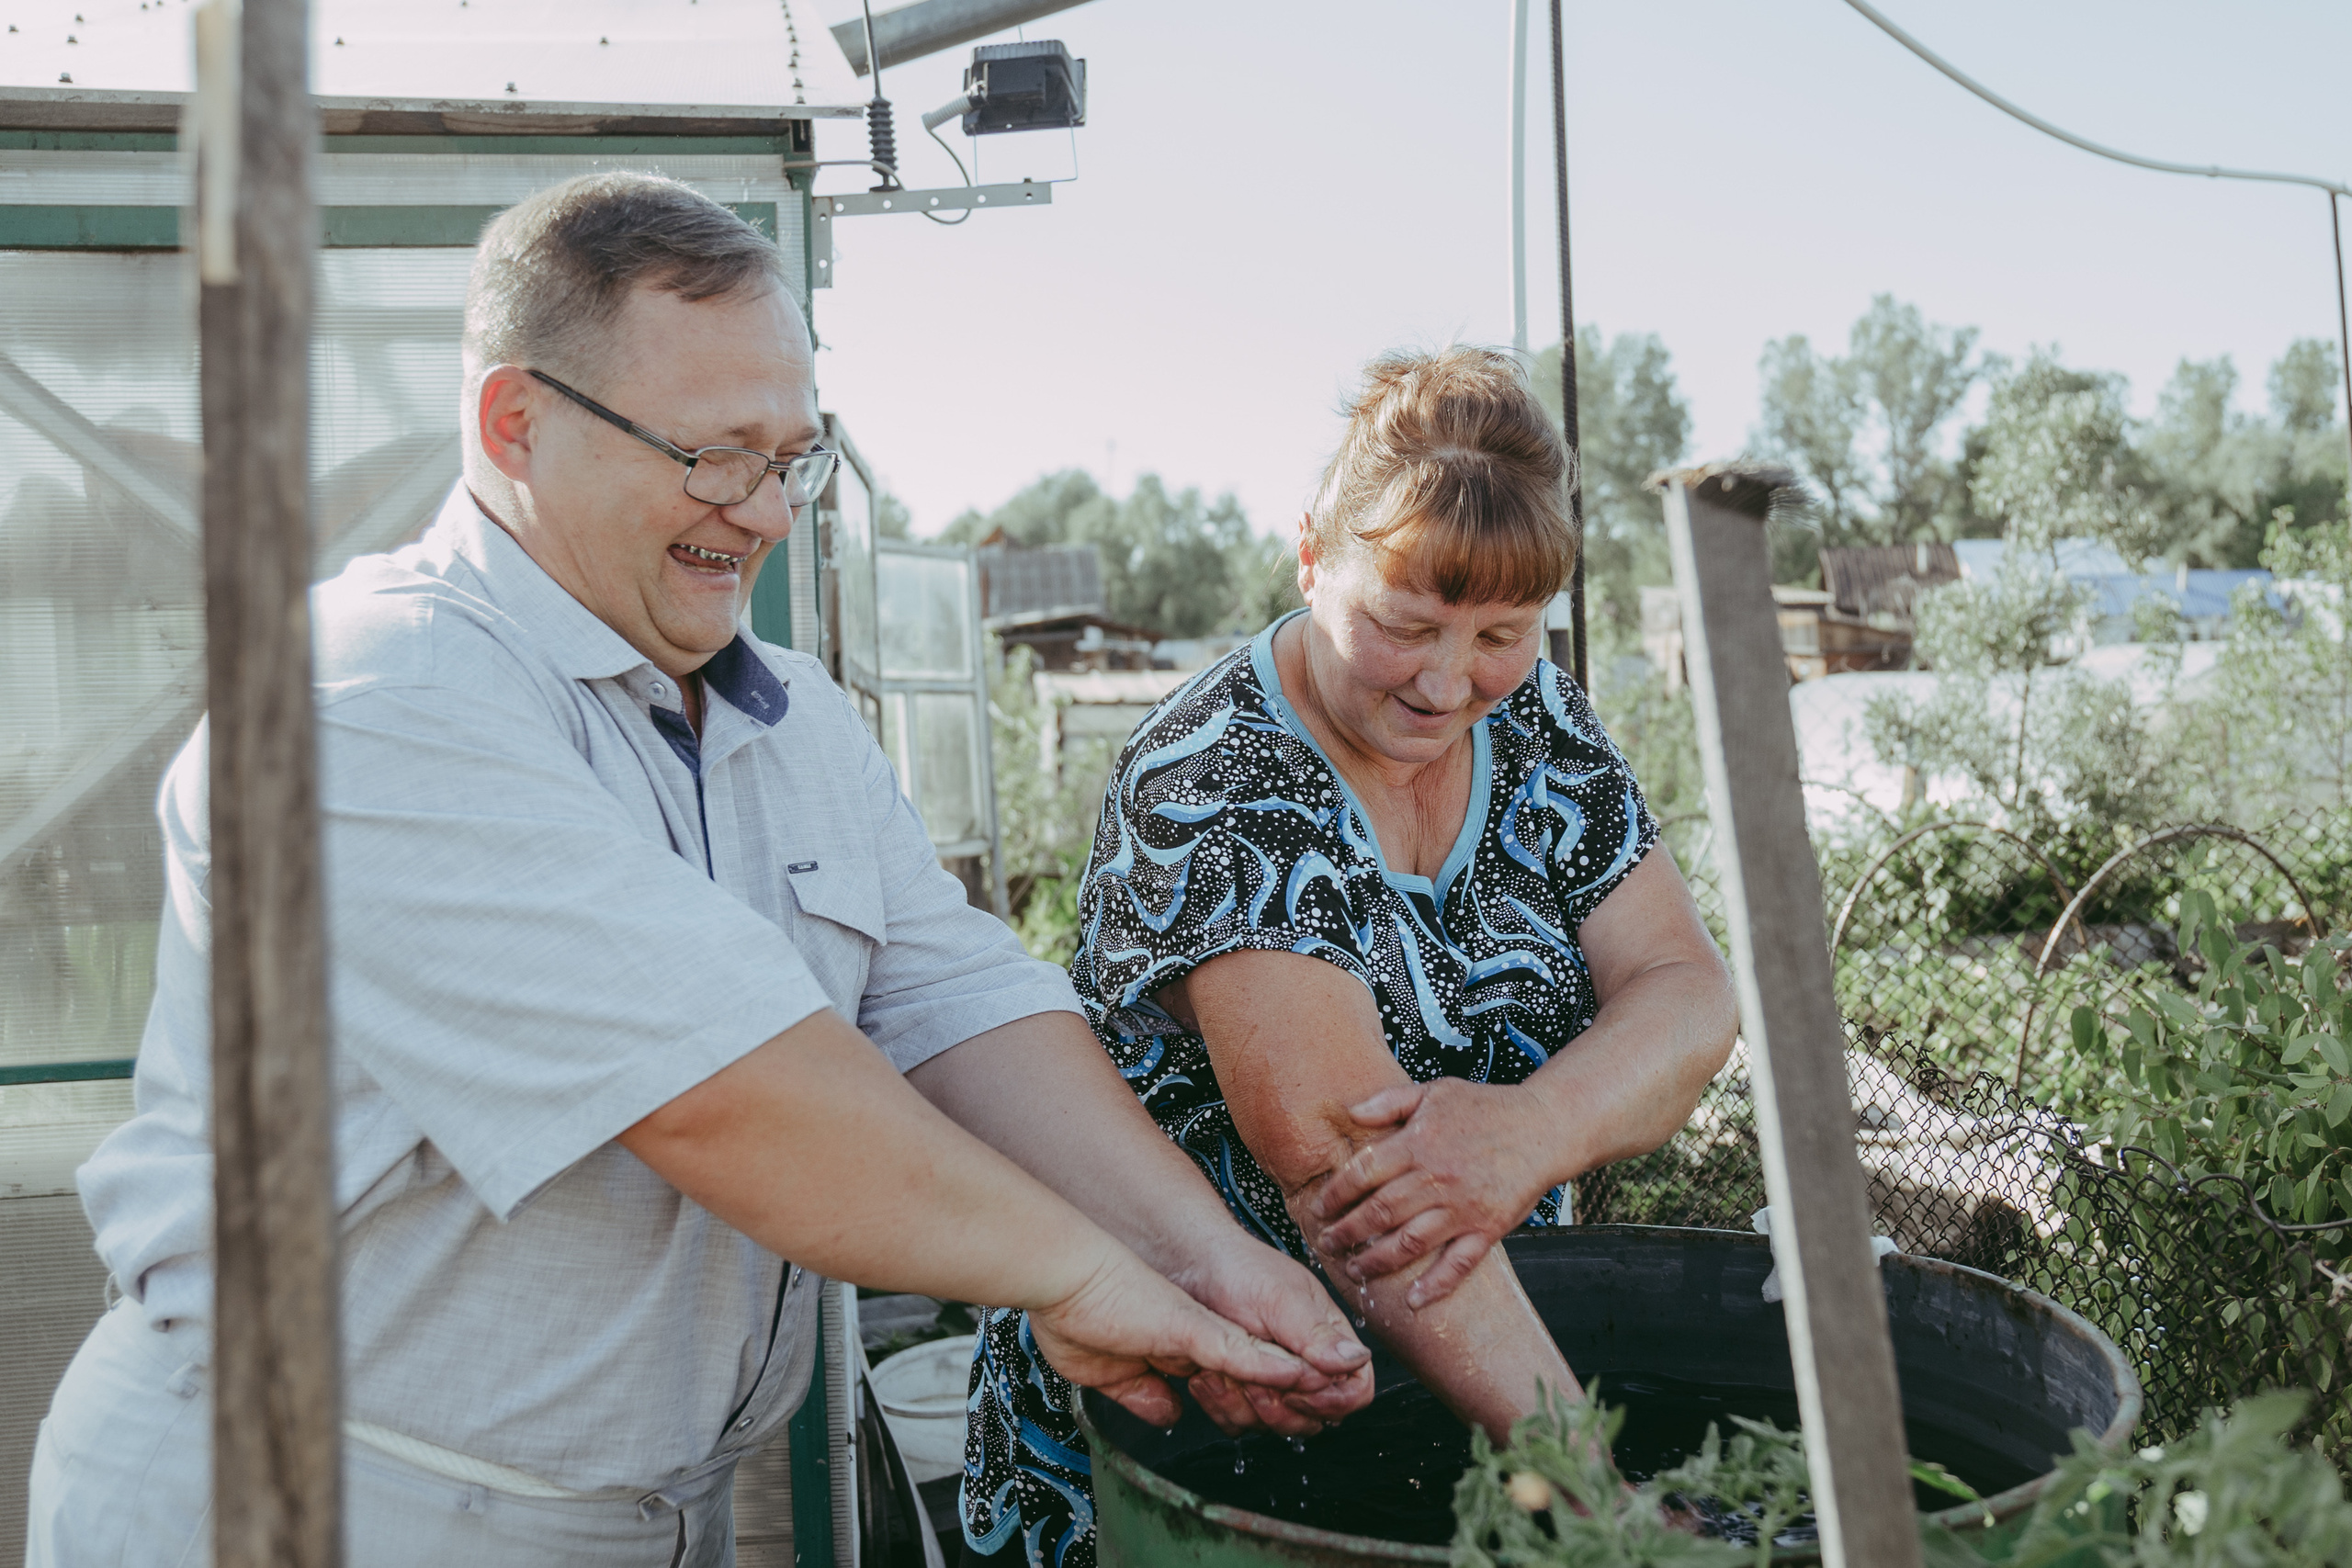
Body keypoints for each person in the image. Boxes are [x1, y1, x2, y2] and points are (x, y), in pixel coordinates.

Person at [27, 173, 1373, 1568]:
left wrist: (1203, 1256)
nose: (768, 511)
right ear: (516, 423)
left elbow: (964, 1006)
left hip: (640, 1518)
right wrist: (1083, 1277)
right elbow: (727, 1097)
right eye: (716, 454)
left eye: (794, 456)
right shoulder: (367, 697)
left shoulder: (792, 720)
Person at [962, 347, 1739, 1562]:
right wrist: (1602, 1497)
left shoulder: (1540, 720)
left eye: (1500, 632)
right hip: (1208, 1391)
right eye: (1404, 624)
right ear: (1313, 555)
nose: (1447, 682)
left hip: (1486, 1364)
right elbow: (1357, 1195)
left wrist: (1534, 1130)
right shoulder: (1220, 783)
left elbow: (1689, 997)